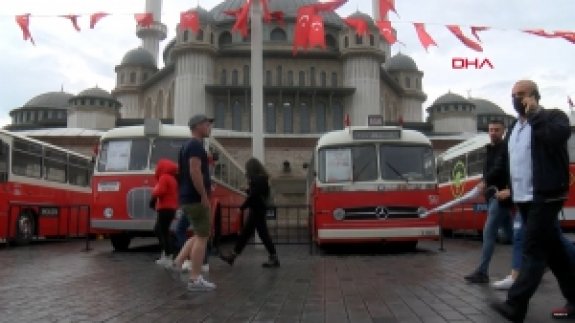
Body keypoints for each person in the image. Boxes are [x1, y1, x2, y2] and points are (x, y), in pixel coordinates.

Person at [488, 80, 575, 322]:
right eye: (513, 95)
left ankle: (516, 305)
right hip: (524, 198)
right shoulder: (515, 126)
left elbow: (554, 138)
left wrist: (535, 113)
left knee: (533, 249)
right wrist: (496, 183)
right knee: (555, 252)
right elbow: (507, 160)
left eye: (522, 94)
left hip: (547, 195)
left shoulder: (553, 117)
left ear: (535, 96)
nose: (517, 99)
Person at [464, 120, 513, 284]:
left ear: (503, 131)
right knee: (513, 235)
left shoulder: (505, 148)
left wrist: (485, 182)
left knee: (489, 231)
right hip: (494, 196)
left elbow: (499, 168)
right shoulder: (490, 149)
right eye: (491, 130)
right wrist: (483, 183)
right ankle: (533, 265)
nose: (493, 132)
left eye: (497, 130)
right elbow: (489, 170)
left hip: (500, 196)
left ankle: (482, 272)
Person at [170, 114, 216, 292]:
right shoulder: (196, 145)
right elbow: (195, 171)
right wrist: (204, 195)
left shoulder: (186, 146)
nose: (209, 127)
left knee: (198, 233)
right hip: (196, 198)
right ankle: (195, 278)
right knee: (203, 237)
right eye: (207, 124)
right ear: (197, 126)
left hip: (187, 197)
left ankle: (178, 262)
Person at [219, 157, 280, 268]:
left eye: (247, 169)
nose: (246, 171)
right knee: (248, 234)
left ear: (251, 168)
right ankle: (233, 256)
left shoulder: (257, 179)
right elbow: (257, 193)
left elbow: (254, 196)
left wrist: (241, 208)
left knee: (259, 235)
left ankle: (273, 257)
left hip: (257, 211)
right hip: (257, 210)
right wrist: (247, 190)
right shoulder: (262, 179)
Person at [151, 158, 179, 266]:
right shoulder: (172, 178)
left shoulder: (164, 177)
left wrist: (153, 194)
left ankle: (167, 254)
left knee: (160, 230)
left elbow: (160, 191)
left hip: (164, 208)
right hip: (171, 208)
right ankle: (168, 254)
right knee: (164, 230)